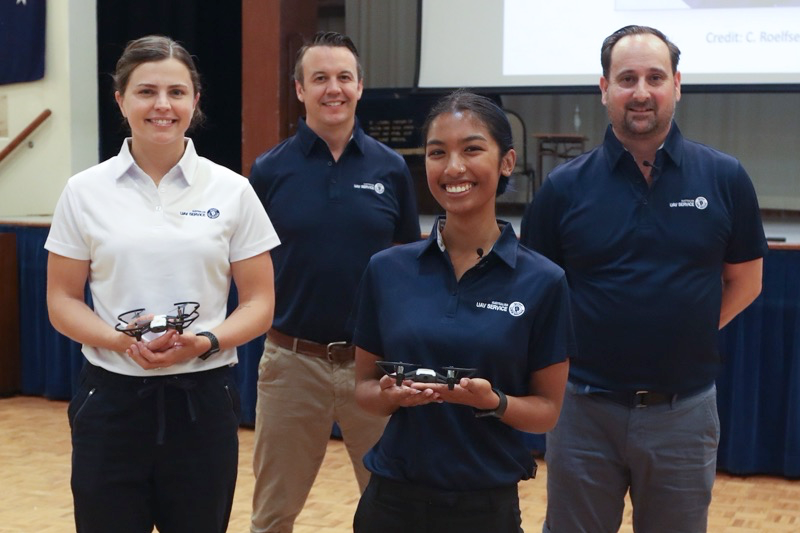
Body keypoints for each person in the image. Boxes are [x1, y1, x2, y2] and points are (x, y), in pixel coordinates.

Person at [520, 25, 767, 533]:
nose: (641, 92)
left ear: (677, 84)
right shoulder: (563, 189)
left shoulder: (724, 178)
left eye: (655, 77)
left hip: (684, 415)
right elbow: (535, 294)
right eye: (626, 77)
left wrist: (690, 328)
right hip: (582, 412)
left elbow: (746, 282)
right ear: (604, 88)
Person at [45, 35, 279, 533]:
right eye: (146, 91)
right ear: (121, 100)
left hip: (204, 399)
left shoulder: (232, 189)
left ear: (195, 100)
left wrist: (207, 341)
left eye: (177, 92)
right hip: (109, 403)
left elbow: (259, 302)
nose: (162, 105)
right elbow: (62, 300)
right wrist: (119, 343)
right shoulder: (83, 191)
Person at [351, 90, 572, 533]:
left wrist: (493, 402)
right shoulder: (387, 269)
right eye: (438, 153)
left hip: (484, 505)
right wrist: (390, 396)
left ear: (506, 162)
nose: (453, 168)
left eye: (472, 149)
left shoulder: (543, 280)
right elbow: (364, 390)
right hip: (392, 499)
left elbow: (547, 409)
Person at [248, 31, 420, 533]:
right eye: (319, 78)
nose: (333, 88)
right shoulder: (269, 170)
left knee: (393, 510)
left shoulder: (391, 169)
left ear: (360, 86)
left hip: (374, 367)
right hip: (291, 365)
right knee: (273, 515)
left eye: (344, 77)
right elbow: (247, 266)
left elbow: (408, 267)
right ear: (300, 90)